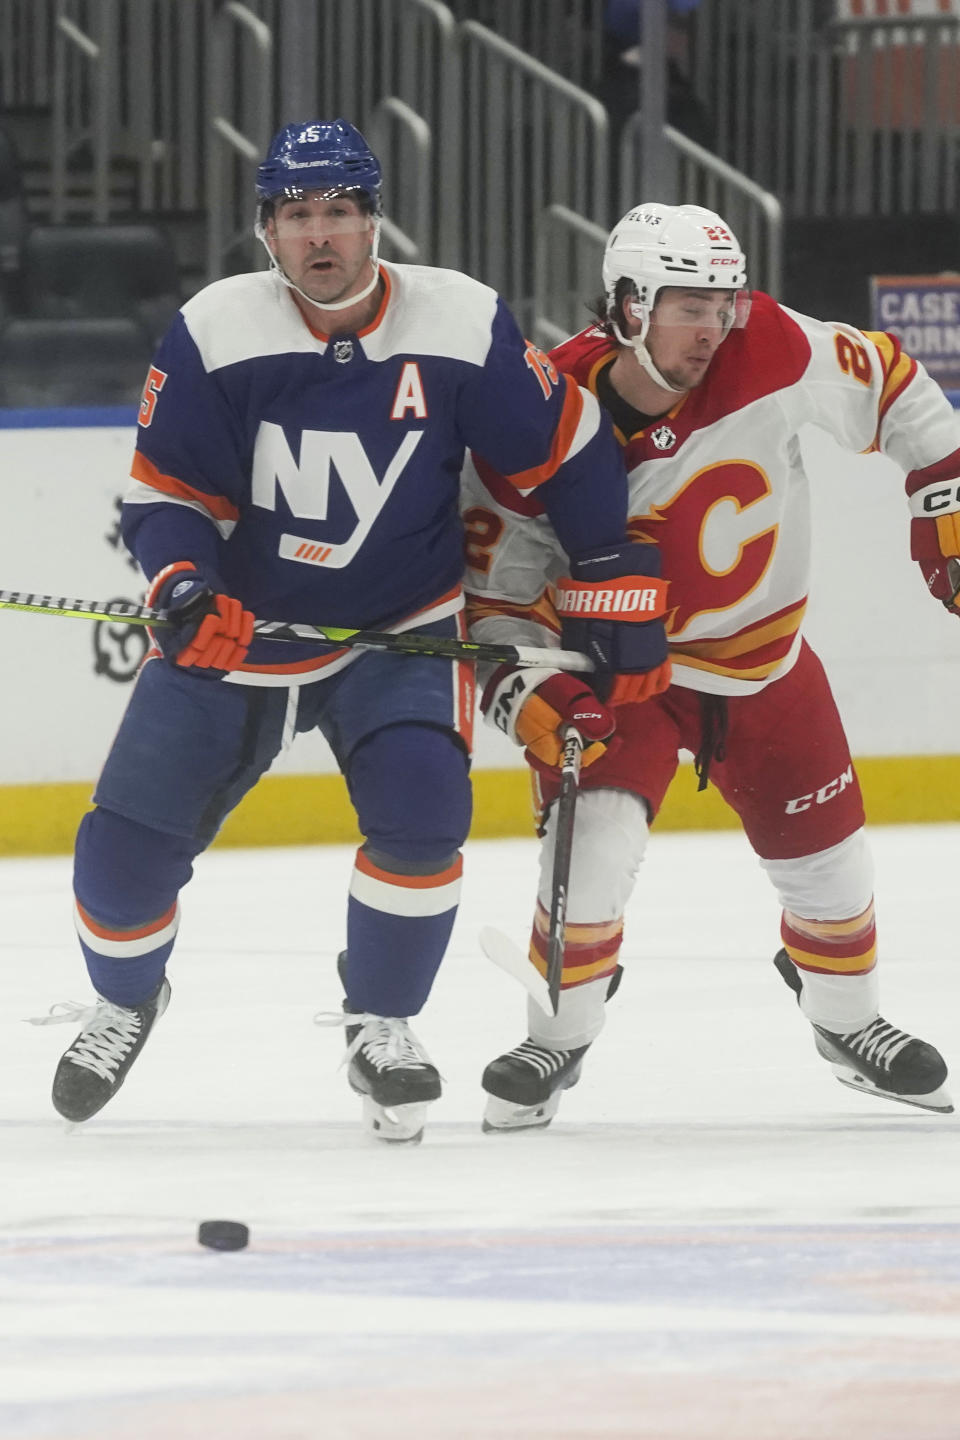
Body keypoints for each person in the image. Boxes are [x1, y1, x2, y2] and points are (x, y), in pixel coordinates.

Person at [34, 121, 669, 1144]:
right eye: (297, 217)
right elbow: (164, 499)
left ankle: (384, 1025)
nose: (320, 235)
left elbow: (567, 452)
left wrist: (606, 571)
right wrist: (185, 584)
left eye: (339, 211)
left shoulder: (458, 320)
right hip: (240, 639)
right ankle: (124, 999)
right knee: (118, 861)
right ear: (266, 233)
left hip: (398, 631)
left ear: (375, 219)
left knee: (424, 823)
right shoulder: (215, 328)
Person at [463, 201, 956, 1131]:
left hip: (767, 665)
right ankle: (558, 1033)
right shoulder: (539, 415)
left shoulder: (768, 341)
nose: (717, 326)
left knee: (833, 872)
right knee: (592, 859)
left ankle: (846, 1023)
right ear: (626, 304)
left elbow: (891, 383)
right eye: (692, 305)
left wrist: (943, 489)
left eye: (725, 302)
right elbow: (496, 602)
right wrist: (536, 691)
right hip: (625, 685)